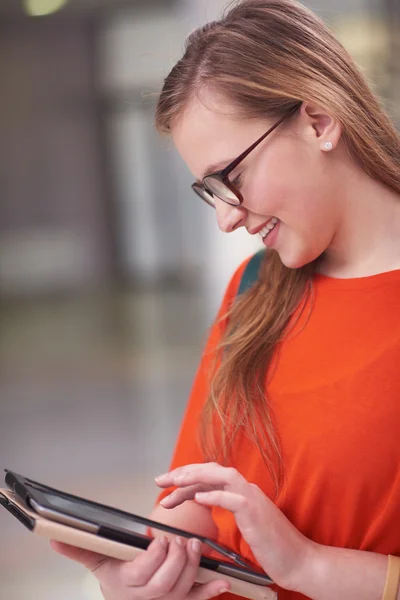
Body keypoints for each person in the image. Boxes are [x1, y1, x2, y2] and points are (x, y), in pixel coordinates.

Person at [51, 0, 400, 598]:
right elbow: (199, 505)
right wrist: (143, 570)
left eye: (231, 179)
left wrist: (313, 567)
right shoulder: (255, 287)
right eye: (208, 192)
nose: (226, 219)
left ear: (317, 121)